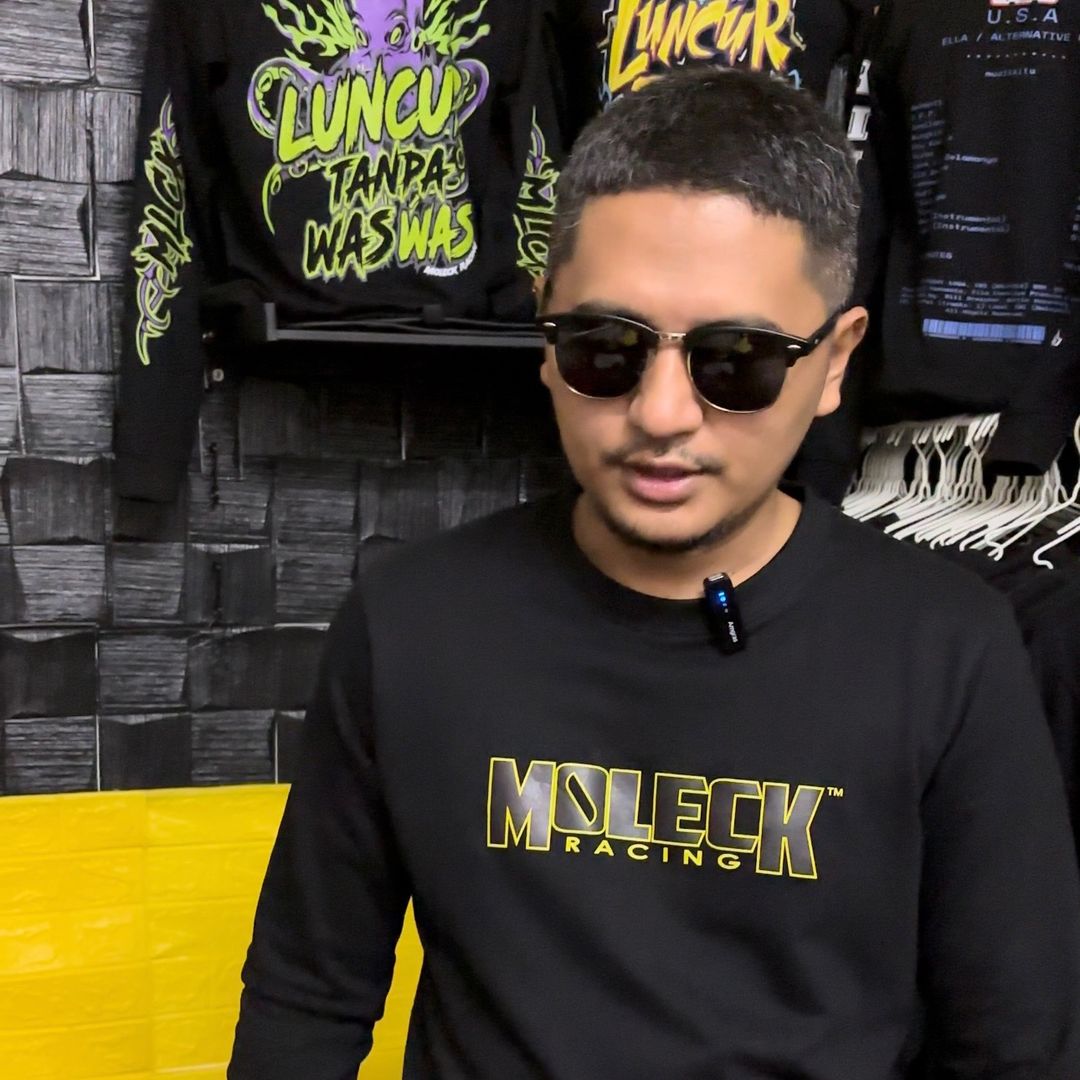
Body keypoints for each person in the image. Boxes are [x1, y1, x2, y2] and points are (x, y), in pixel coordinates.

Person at [228, 68, 1080, 1079]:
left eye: (738, 360)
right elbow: (305, 1003)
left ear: (834, 361)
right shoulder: (409, 621)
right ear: (545, 335)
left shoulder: (948, 647)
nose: (662, 414)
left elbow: (1015, 1048)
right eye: (605, 347)